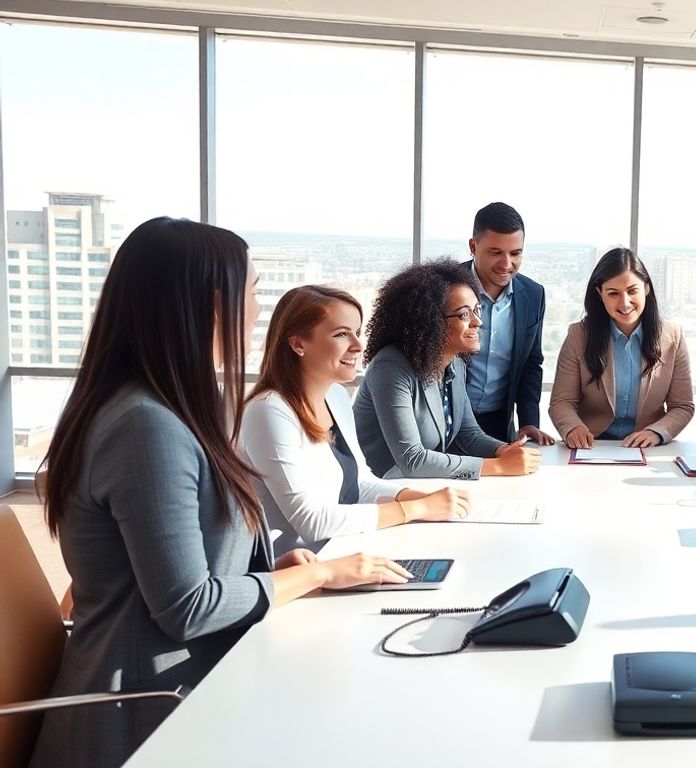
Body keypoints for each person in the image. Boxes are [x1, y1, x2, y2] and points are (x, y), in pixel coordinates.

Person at [30, 218, 412, 768]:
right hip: (145, 713)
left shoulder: (169, 408)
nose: (257, 310)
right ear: (210, 304)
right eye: (253, 291)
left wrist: (274, 567)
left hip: (189, 684)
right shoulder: (146, 426)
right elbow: (187, 607)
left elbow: (178, 566)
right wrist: (318, 574)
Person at [240, 285, 474, 553]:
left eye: (358, 332)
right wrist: (416, 508)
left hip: (341, 549)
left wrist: (422, 499)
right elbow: (312, 522)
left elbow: (360, 484)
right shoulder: (268, 412)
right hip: (296, 568)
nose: (358, 345)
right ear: (298, 344)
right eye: (341, 334)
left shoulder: (336, 397)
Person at [353, 261, 541, 480]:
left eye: (476, 310)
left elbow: (468, 434)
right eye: (463, 315)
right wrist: (497, 467)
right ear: (428, 321)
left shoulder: (455, 364)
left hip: (422, 488)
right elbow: (412, 460)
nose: (478, 322)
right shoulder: (390, 368)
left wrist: (504, 451)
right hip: (378, 490)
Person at [550, 247, 694, 448]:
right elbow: (561, 402)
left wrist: (656, 433)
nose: (624, 303)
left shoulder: (673, 337)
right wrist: (574, 428)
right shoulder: (578, 336)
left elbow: (682, 406)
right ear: (600, 294)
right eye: (613, 293)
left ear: (646, 288)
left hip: (646, 446)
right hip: (593, 445)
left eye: (632, 291)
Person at [460, 203, 554, 445]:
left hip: (499, 424)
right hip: (446, 419)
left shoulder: (533, 295)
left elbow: (531, 364)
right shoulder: (445, 288)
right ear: (473, 246)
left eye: (515, 253)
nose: (506, 263)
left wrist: (529, 422)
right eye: (495, 252)